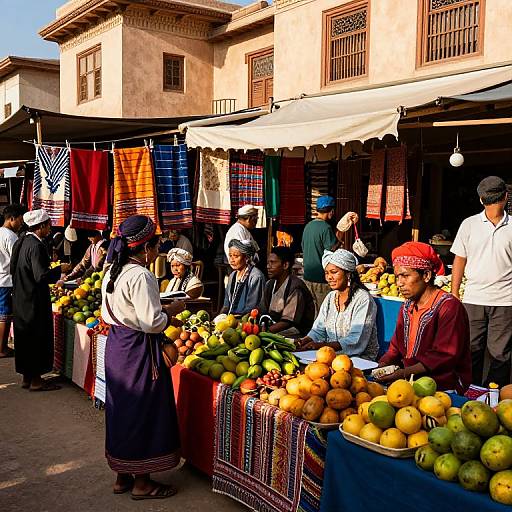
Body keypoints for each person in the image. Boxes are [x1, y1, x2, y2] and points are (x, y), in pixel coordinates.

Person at [101, 215, 185, 500]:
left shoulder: (113, 268)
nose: (159, 250)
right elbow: (151, 322)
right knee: (143, 410)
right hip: (138, 350)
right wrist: (171, 310)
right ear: (146, 247)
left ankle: (122, 475)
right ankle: (142, 483)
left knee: (122, 410)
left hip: (117, 346)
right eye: (157, 244)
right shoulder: (141, 275)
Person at [378, 242, 472, 393]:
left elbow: (444, 356)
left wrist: (402, 373)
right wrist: (381, 366)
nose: (399, 283)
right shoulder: (407, 306)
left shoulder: (449, 307)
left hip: (442, 387)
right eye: (397, 277)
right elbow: (395, 349)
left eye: (405, 276)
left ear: (427, 275)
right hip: (409, 383)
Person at [451, 176, 512, 387]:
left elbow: (459, 261)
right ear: (506, 197)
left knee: (500, 354)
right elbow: (460, 258)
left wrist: (455, 292)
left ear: (480, 199)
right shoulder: (469, 225)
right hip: (473, 299)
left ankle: (494, 397)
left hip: (505, 301)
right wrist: (455, 293)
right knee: (470, 350)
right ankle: (471, 390)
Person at [10, 209, 71, 390]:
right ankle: (36, 380)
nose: (50, 229)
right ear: (42, 226)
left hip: (21, 296)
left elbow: (13, 268)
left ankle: (27, 377)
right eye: (48, 225)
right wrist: (60, 269)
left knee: (25, 337)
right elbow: (41, 276)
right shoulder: (35, 246)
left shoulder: (22, 241)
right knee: (36, 337)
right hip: (33, 299)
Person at [296, 249, 379, 360]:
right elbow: (318, 330)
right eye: (327, 273)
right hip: (331, 356)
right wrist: (305, 340)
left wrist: (321, 346)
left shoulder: (363, 299)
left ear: (348, 274)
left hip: (359, 360)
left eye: (334, 272)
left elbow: (355, 340)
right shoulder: (330, 297)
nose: (329, 277)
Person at [301, 196, 357, 312]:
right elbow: (333, 250)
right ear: (331, 211)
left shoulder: (308, 226)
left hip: (307, 278)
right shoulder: (325, 228)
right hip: (321, 279)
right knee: (324, 313)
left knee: (311, 313)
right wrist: (341, 233)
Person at [259, 246, 315, 337]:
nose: (268, 266)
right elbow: (262, 310)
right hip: (273, 329)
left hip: (296, 333)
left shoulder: (296, 287)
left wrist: (265, 333)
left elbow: (288, 322)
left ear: (285, 265)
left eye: (273, 263)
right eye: (268, 263)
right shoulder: (270, 284)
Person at [0, 204, 24, 358]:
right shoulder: (11, 236)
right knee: (5, 315)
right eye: (20, 220)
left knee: (3, 314)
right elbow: (17, 262)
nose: (21, 224)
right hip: (7, 281)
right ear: (12, 219)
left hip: (2, 279)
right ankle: (2, 349)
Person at [220, 239, 265, 316]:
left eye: (236, 256)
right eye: (230, 255)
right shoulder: (232, 276)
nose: (231, 260)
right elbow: (226, 305)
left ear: (246, 258)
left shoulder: (256, 277)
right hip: (230, 320)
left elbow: (251, 308)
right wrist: (220, 317)